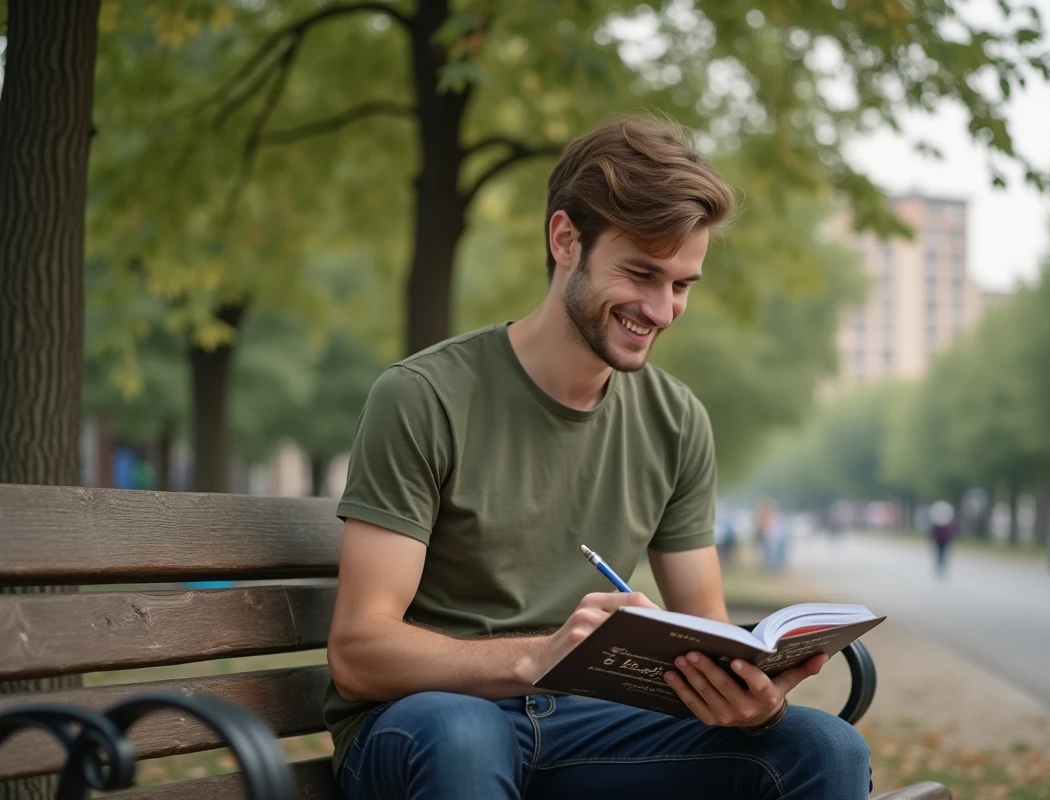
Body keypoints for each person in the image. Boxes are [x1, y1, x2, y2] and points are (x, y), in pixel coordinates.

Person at [323, 115, 872, 800]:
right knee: (463, 736)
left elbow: (704, 624)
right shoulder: (423, 396)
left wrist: (747, 694)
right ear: (565, 240)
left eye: (682, 284)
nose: (663, 309)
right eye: (642, 273)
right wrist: (537, 657)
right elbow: (357, 653)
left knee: (822, 747)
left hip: (590, 728)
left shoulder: (676, 422)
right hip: (428, 722)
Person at [929, 500, 956, 577]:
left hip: (942, 540)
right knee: (941, 553)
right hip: (941, 540)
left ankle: (941, 566)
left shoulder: (943, 523)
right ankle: (941, 565)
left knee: (941, 553)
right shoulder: (940, 523)